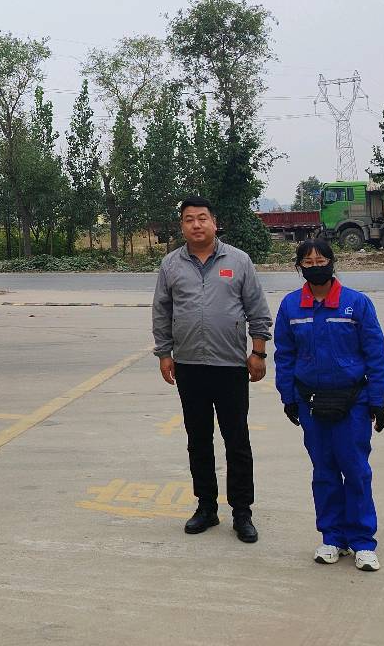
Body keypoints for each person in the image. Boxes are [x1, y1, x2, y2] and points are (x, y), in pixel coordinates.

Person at [152, 195, 273, 543]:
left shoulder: (238, 260)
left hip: (230, 366)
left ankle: (242, 513)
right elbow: (162, 311)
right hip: (189, 366)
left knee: (237, 441)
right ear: (182, 226)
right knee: (198, 440)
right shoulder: (171, 264)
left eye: (202, 218)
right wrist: (164, 353)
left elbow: (257, 309)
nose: (196, 225)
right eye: (189, 219)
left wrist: (258, 351)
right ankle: (206, 507)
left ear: (214, 223)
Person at [274, 236, 384, 571]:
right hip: (311, 402)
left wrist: (377, 400)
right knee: (324, 472)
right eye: (308, 263)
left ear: (332, 262)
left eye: (321, 261)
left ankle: (363, 541)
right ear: (299, 267)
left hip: (352, 403)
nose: (316, 267)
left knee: (355, 471)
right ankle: (332, 538)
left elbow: (375, 354)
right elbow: (285, 355)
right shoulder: (291, 306)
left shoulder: (357, 304)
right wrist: (288, 397)